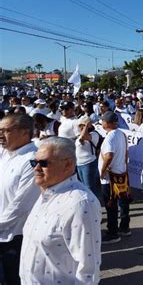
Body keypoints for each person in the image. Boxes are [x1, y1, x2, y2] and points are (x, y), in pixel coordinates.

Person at [20, 137, 101, 284]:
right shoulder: (46, 192)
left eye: (43, 163)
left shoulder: (80, 204)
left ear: (68, 164)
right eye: (34, 162)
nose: (36, 168)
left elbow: (88, 271)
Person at [0, 114, 40, 284]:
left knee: (13, 279)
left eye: (6, 131)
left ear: (25, 133)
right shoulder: (5, 153)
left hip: (15, 237)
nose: (0, 135)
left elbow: (20, 205)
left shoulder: (32, 160)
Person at [99, 111, 130, 243]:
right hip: (121, 173)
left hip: (110, 177)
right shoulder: (122, 134)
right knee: (123, 202)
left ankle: (113, 233)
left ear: (106, 123)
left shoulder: (110, 137)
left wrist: (102, 170)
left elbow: (109, 155)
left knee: (111, 205)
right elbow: (126, 153)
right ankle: (124, 227)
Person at [75, 115, 102, 201]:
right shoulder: (79, 135)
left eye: (80, 125)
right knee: (83, 187)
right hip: (79, 164)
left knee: (90, 188)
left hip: (89, 164)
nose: (79, 127)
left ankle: (93, 204)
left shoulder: (94, 134)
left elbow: (83, 137)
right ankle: (88, 204)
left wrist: (87, 125)